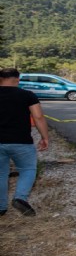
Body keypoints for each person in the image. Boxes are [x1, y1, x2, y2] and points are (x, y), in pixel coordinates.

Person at [0, 68, 49, 216]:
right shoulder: (27, 95)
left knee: (1, 173)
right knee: (28, 170)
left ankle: (1, 207)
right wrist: (45, 137)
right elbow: (38, 117)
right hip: (21, 141)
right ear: (17, 79)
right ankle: (20, 197)